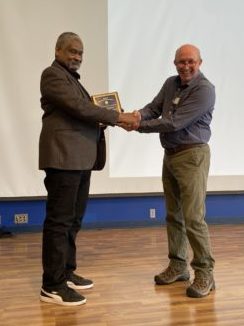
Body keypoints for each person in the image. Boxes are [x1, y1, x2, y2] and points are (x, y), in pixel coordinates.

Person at [39, 32, 139, 306]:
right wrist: (118, 116)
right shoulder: (52, 75)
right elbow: (79, 108)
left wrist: (102, 119)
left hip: (79, 159)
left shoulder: (71, 80)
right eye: (72, 51)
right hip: (63, 158)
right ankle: (52, 285)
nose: (77, 57)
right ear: (57, 50)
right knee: (60, 221)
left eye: (81, 53)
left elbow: (83, 112)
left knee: (73, 220)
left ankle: (66, 272)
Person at [122, 44, 215, 298]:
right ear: (174, 63)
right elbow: (154, 108)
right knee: (174, 215)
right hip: (171, 156)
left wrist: (136, 126)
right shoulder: (170, 83)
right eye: (180, 62)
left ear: (200, 62)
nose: (185, 66)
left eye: (190, 62)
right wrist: (136, 115)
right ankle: (178, 265)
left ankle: (205, 272)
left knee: (193, 218)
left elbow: (174, 122)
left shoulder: (205, 90)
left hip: (192, 156)